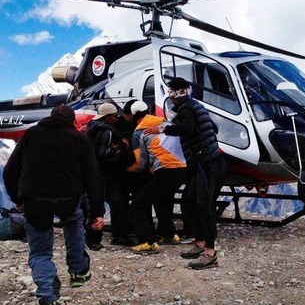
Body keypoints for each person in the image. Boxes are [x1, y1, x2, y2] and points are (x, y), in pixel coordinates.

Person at [2, 104, 105, 305]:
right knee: (73, 223)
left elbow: (10, 170)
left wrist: (16, 199)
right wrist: (97, 210)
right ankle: (78, 271)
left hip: (35, 200)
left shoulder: (30, 135)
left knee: (40, 252)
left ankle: (48, 298)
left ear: (49, 117)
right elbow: (93, 176)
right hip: (68, 198)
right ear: (72, 120)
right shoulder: (78, 138)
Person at [145, 77, 226, 270]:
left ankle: (210, 253)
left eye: (171, 93)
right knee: (190, 201)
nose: (170, 97)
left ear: (178, 93)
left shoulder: (187, 109)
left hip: (205, 162)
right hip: (201, 161)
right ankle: (199, 242)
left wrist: (164, 129)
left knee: (204, 204)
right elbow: (212, 128)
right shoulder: (194, 106)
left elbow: (188, 128)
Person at [127, 100, 187, 254]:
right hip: (181, 169)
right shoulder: (165, 122)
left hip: (164, 170)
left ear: (134, 116)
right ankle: (168, 235)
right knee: (163, 200)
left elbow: (141, 163)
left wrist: (130, 170)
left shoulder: (139, 132)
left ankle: (147, 242)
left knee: (138, 205)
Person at [86, 102, 137, 246]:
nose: (117, 119)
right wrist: (122, 150)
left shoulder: (94, 128)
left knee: (107, 203)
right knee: (109, 204)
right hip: (102, 173)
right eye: (114, 116)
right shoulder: (103, 131)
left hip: (101, 173)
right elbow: (105, 155)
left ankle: (97, 238)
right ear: (107, 117)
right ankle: (110, 236)